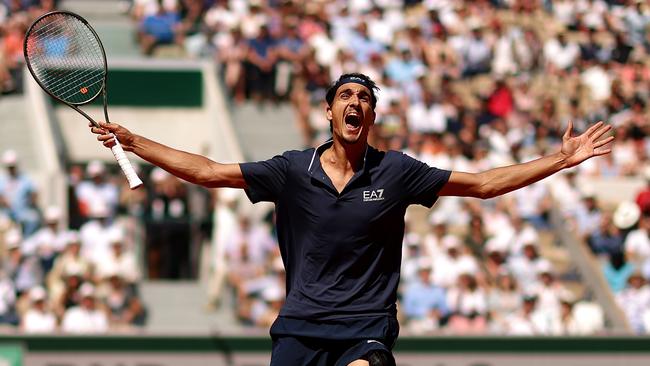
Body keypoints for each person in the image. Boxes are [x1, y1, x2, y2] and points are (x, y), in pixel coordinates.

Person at [90, 73, 613, 366]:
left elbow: (482, 185)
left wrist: (561, 159)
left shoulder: (399, 171)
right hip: (299, 329)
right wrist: (134, 142)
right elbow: (205, 171)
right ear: (329, 112)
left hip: (366, 330)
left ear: (372, 117)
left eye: (364, 98)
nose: (355, 103)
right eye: (346, 96)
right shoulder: (292, 170)